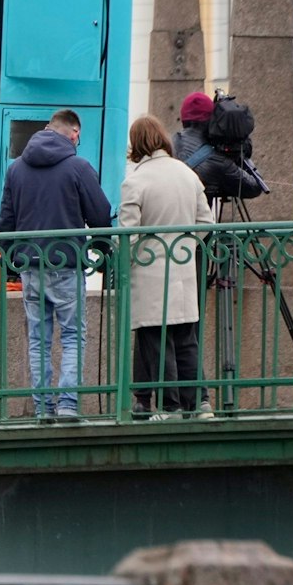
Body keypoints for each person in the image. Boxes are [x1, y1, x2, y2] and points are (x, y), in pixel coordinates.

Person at [0, 109, 113, 421]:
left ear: (48, 128)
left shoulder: (16, 168)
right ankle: (68, 405)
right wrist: (102, 252)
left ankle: (43, 408)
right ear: (74, 133)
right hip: (66, 264)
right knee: (73, 336)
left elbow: (6, 222)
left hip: (30, 266)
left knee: (39, 340)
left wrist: (11, 262)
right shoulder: (78, 167)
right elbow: (101, 215)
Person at [118, 116, 215, 420]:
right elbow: (206, 222)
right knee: (186, 340)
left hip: (150, 273)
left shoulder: (135, 181)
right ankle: (199, 405)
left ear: (136, 144)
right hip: (183, 269)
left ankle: (170, 407)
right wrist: (186, 245)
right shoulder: (187, 174)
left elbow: (128, 235)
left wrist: (127, 260)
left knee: (157, 342)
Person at [174, 91, 266, 203]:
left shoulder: (166, 144)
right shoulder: (218, 161)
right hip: (197, 215)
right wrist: (240, 145)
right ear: (212, 121)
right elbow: (255, 187)